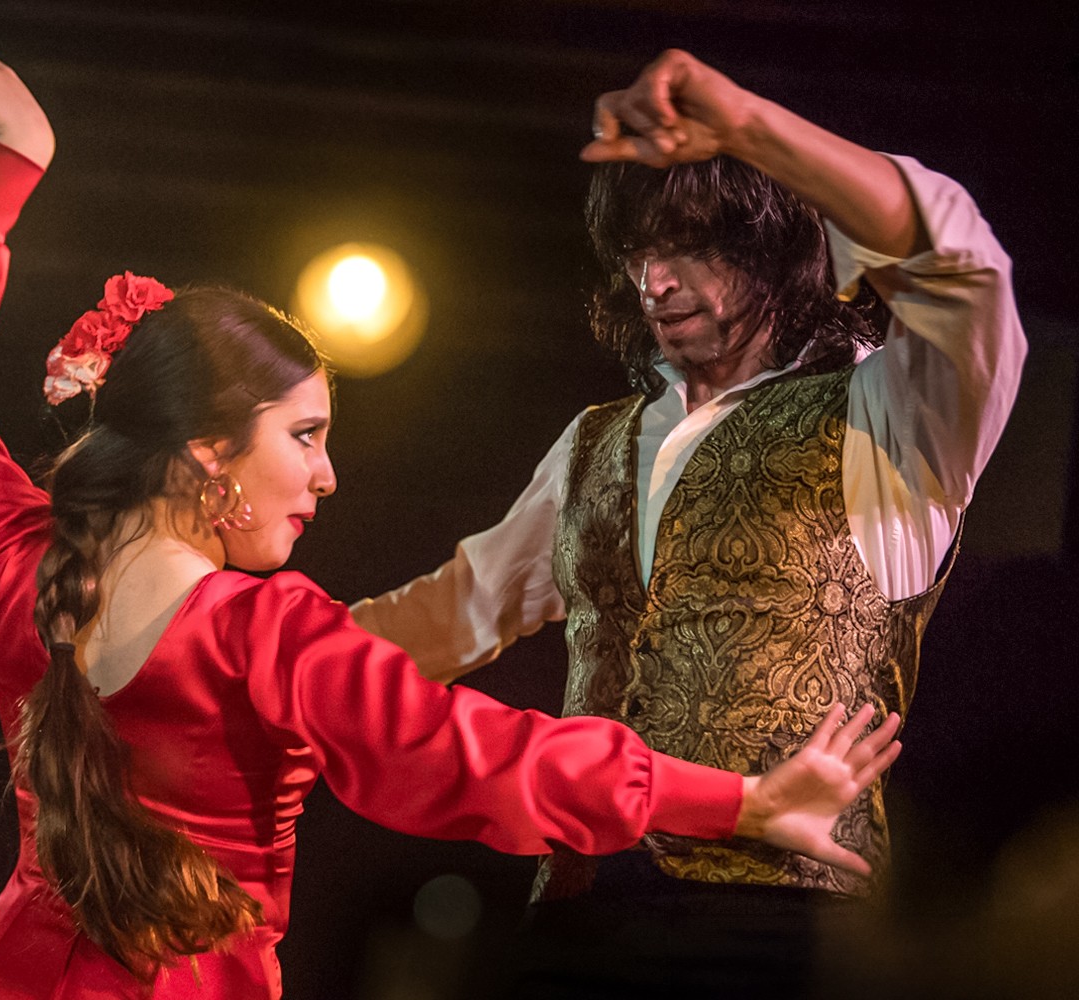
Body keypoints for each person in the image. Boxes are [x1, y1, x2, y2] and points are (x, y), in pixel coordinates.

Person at [0, 17, 904, 998]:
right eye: (305, 436)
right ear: (207, 452)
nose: (326, 478)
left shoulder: (17, 566)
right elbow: (482, 755)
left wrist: (14, 153)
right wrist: (742, 798)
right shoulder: (260, 637)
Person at [351, 49, 1026, 995]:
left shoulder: (893, 415)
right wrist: (229, 653)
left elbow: (961, 263)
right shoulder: (594, 441)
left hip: (785, 926)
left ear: (777, 243)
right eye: (638, 255)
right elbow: (455, 609)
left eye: (689, 246)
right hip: (577, 912)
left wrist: (748, 126)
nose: (655, 281)